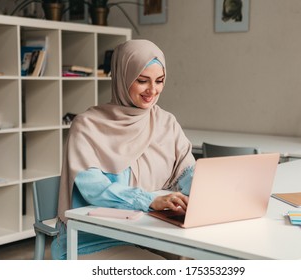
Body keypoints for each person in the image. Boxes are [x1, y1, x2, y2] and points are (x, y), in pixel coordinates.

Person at [52, 39, 195, 260]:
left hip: (153, 233)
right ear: (122, 77)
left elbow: (187, 170)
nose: (152, 90)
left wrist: (205, 193)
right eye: (142, 80)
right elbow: (93, 188)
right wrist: (148, 200)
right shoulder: (87, 125)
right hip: (97, 237)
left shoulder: (166, 122)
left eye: (160, 81)